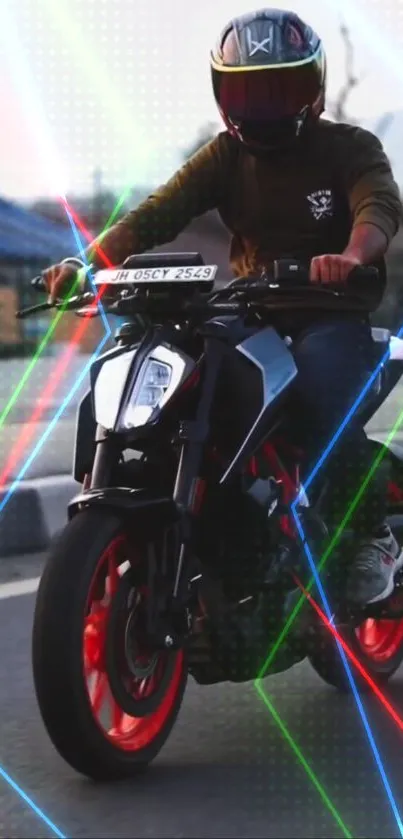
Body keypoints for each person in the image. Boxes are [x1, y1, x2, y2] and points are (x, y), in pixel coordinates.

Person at [42, 8, 402, 606]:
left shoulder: (348, 148)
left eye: (280, 88)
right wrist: (88, 263)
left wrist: (353, 254)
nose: (264, 105)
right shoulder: (223, 158)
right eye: (248, 91)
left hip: (328, 311)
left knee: (319, 406)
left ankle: (372, 538)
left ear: (312, 89)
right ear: (222, 93)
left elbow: (379, 207)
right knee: (167, 380)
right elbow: (157, 212)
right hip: (250, 311)